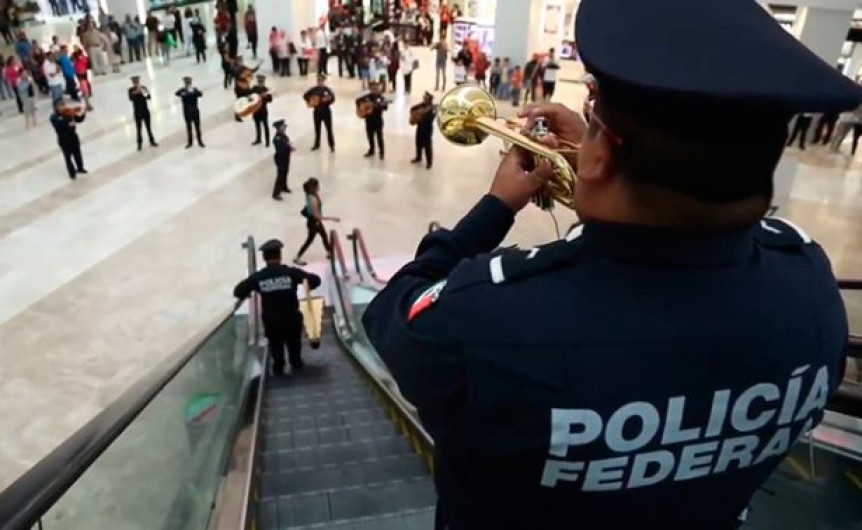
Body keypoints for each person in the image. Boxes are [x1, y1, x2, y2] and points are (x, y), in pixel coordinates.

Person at [360, 0, 861, 526]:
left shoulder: (491, 319)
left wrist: (494, 209)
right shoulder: (812, 293)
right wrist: (606, 168)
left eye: (594, 119)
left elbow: (392, 313)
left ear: (600, 155)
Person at [233, 239, 322, 375]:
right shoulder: (290, 273)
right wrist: (307, 284)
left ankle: (278, 368)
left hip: (271, 320)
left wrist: (250, 292)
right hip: (291, 317)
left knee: (276, 345)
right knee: (294, 344)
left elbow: (238, 291)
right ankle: (296, 363)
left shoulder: (258, 277)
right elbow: (315, 280)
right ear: (280, 256)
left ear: (264, 258)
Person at [294, 178, 338, 265]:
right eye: (317, 185)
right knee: (310, 239)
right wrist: (332, 218)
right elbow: (317, 216)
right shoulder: (313, 199)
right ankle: (298, 257)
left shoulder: (312, 195)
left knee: (324, 236)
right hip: (313, 222)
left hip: (315, 222)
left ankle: (329, 253)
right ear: (313, 187)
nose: (319, 187)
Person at [50, 100, 87, 180]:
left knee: (77, 153)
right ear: (56, 107)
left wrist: (83, 113)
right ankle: (72, 173)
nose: (63, 106)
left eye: (63, 104)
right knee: (68, 157)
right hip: (64, 139)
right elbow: (59, 125)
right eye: (60, 105)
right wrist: (67, 118)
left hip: (73, 137)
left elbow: (79, 119)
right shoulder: (54, 117)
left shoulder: (69, 113)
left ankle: (80, 168)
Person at [304, 73, 336, 152]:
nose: (319, 81)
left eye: (321, 80)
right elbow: (305, 96)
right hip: (317, 111)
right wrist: (311, 101)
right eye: (318, 80)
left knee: (329, 129)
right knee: (317, 129)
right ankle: (317, 144)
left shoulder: (327, 90)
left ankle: (331, 145)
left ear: (324, 80)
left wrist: (327, 101)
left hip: (326, 111)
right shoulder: (313, 89)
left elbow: (332, 99)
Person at [356, 81, 388, 159]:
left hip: (378, 120)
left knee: (379, 136)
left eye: (376, 88)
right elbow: (357, 101)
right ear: (370, 88)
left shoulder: (380, 98)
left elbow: (385, 107)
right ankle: (371, 150)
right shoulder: (366, 97)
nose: (375, 90)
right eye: (373, 88)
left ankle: (381, 152)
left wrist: (376, 106)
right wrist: (362, 108)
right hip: (368, 120)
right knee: (370, 136)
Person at [128, 75, 158, 150]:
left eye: (137, 82)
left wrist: (142, 91)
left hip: (145, 111)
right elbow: (131, 98)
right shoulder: (131, 90)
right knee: (139, 129)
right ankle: (139, 143)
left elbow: (148, 97)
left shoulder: (143, 88)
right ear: (132, 83)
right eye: (134, 82)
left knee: (148, 127)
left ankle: (152, 141)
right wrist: (136, 92)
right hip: (137, 112)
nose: (136, 83)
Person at [176, 76, 204, 148]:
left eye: (189, 82)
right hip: (187, 112)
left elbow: (200, 94)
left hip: (195, 111)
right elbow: (177, 93)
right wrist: (186, 91)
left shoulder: (194, 89)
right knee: (189, 127)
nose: (188, 84)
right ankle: (190, 142)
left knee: (197, 127)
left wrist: (193, 91)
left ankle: (200, 141)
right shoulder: (182, 90)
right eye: (186, 82)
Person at [409, 91, 435, 169]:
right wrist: (416, 114)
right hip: (420, 127)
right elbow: (412, 108)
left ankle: (429, 162)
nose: (424, 99)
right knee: (418, 143)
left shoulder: (432, 108)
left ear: (429, 100)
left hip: (427, 128)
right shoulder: (421, 105)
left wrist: (421, 116)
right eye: (424, 98)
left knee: (427, 145)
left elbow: (431, 118)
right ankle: (418, 157)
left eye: (426, 98)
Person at [271, 119, 295, 200]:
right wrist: (289, 148)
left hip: (285, 157)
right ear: (279, 128)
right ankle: (276, 193)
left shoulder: (283, 135)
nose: (285, 127)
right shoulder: (277, 138)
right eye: (283, 126)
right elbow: (282, 149)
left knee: (285, 172)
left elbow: (287, 143)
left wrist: (290, 148)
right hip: (280, 158)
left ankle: (284, 186)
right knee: (280, 175)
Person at [251, 74, 273, 147]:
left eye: (262, 82)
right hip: (256, 110)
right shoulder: (254, 89)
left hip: (263, 111)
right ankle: (258, 139)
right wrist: (259, 96)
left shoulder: (266, 89)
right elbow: (250, 98)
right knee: (257, 125)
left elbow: (270, 100)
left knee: (265, 126)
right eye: (260, 82)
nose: (261, 83)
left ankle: (267, 141)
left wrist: (266, 96)